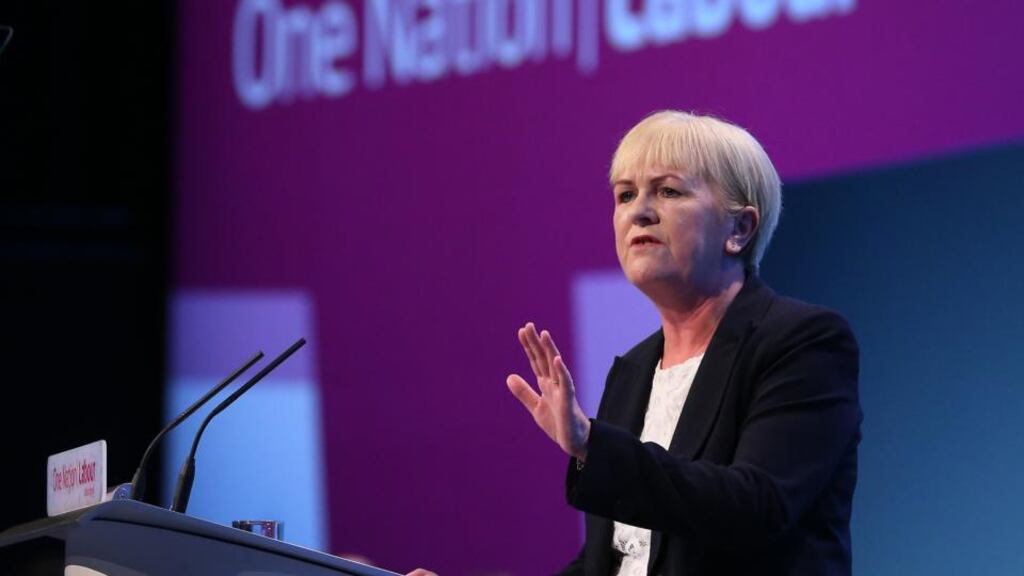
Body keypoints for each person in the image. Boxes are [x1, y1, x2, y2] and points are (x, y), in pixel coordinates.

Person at [506, 111, 861, 575]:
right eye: (625, 194)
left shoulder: (802, 343)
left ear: (739, 229)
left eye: (668, 191)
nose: (639, 211)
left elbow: (755, 506)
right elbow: (613, 563)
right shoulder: (633, 371)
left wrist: (594, 445)